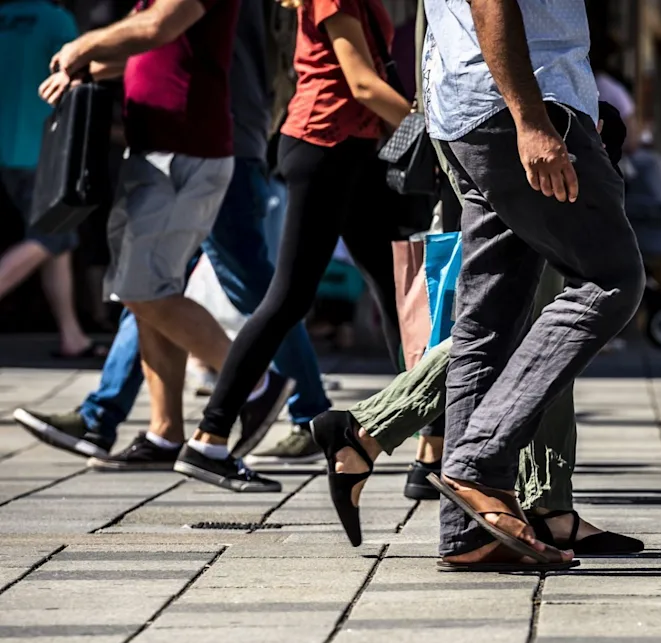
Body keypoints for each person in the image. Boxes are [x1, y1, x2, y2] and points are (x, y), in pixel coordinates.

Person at [352, 0, 643, 571]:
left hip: (466, 111)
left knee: (489, 322)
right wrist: (531, 121)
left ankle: (469, 535)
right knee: (609, 280)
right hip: (520, 109)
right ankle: (479, 464)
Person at [13, 0, 335, 468]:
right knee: (147, 290)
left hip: (194, 147)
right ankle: (158, 431)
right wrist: (91, 64)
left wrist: (83, 44)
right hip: (167, 146)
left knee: (162, 288)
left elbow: (165, 26)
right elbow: (154, 47)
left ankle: (261, 388)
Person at [173, 0, 412, 492]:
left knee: (398, 290)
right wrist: (432, 134)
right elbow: (361, 81)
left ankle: (434, 445)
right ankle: (208, 438)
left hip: (357, 149)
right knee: (289, 298)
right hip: (324, 146)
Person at [0, 0, 103, 360]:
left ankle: (71, 334)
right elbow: (81, 72)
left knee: (59, 244)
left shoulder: (5, 16)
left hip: (7, 149)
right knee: (52, 235)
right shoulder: (55, 20)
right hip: (39, 146)